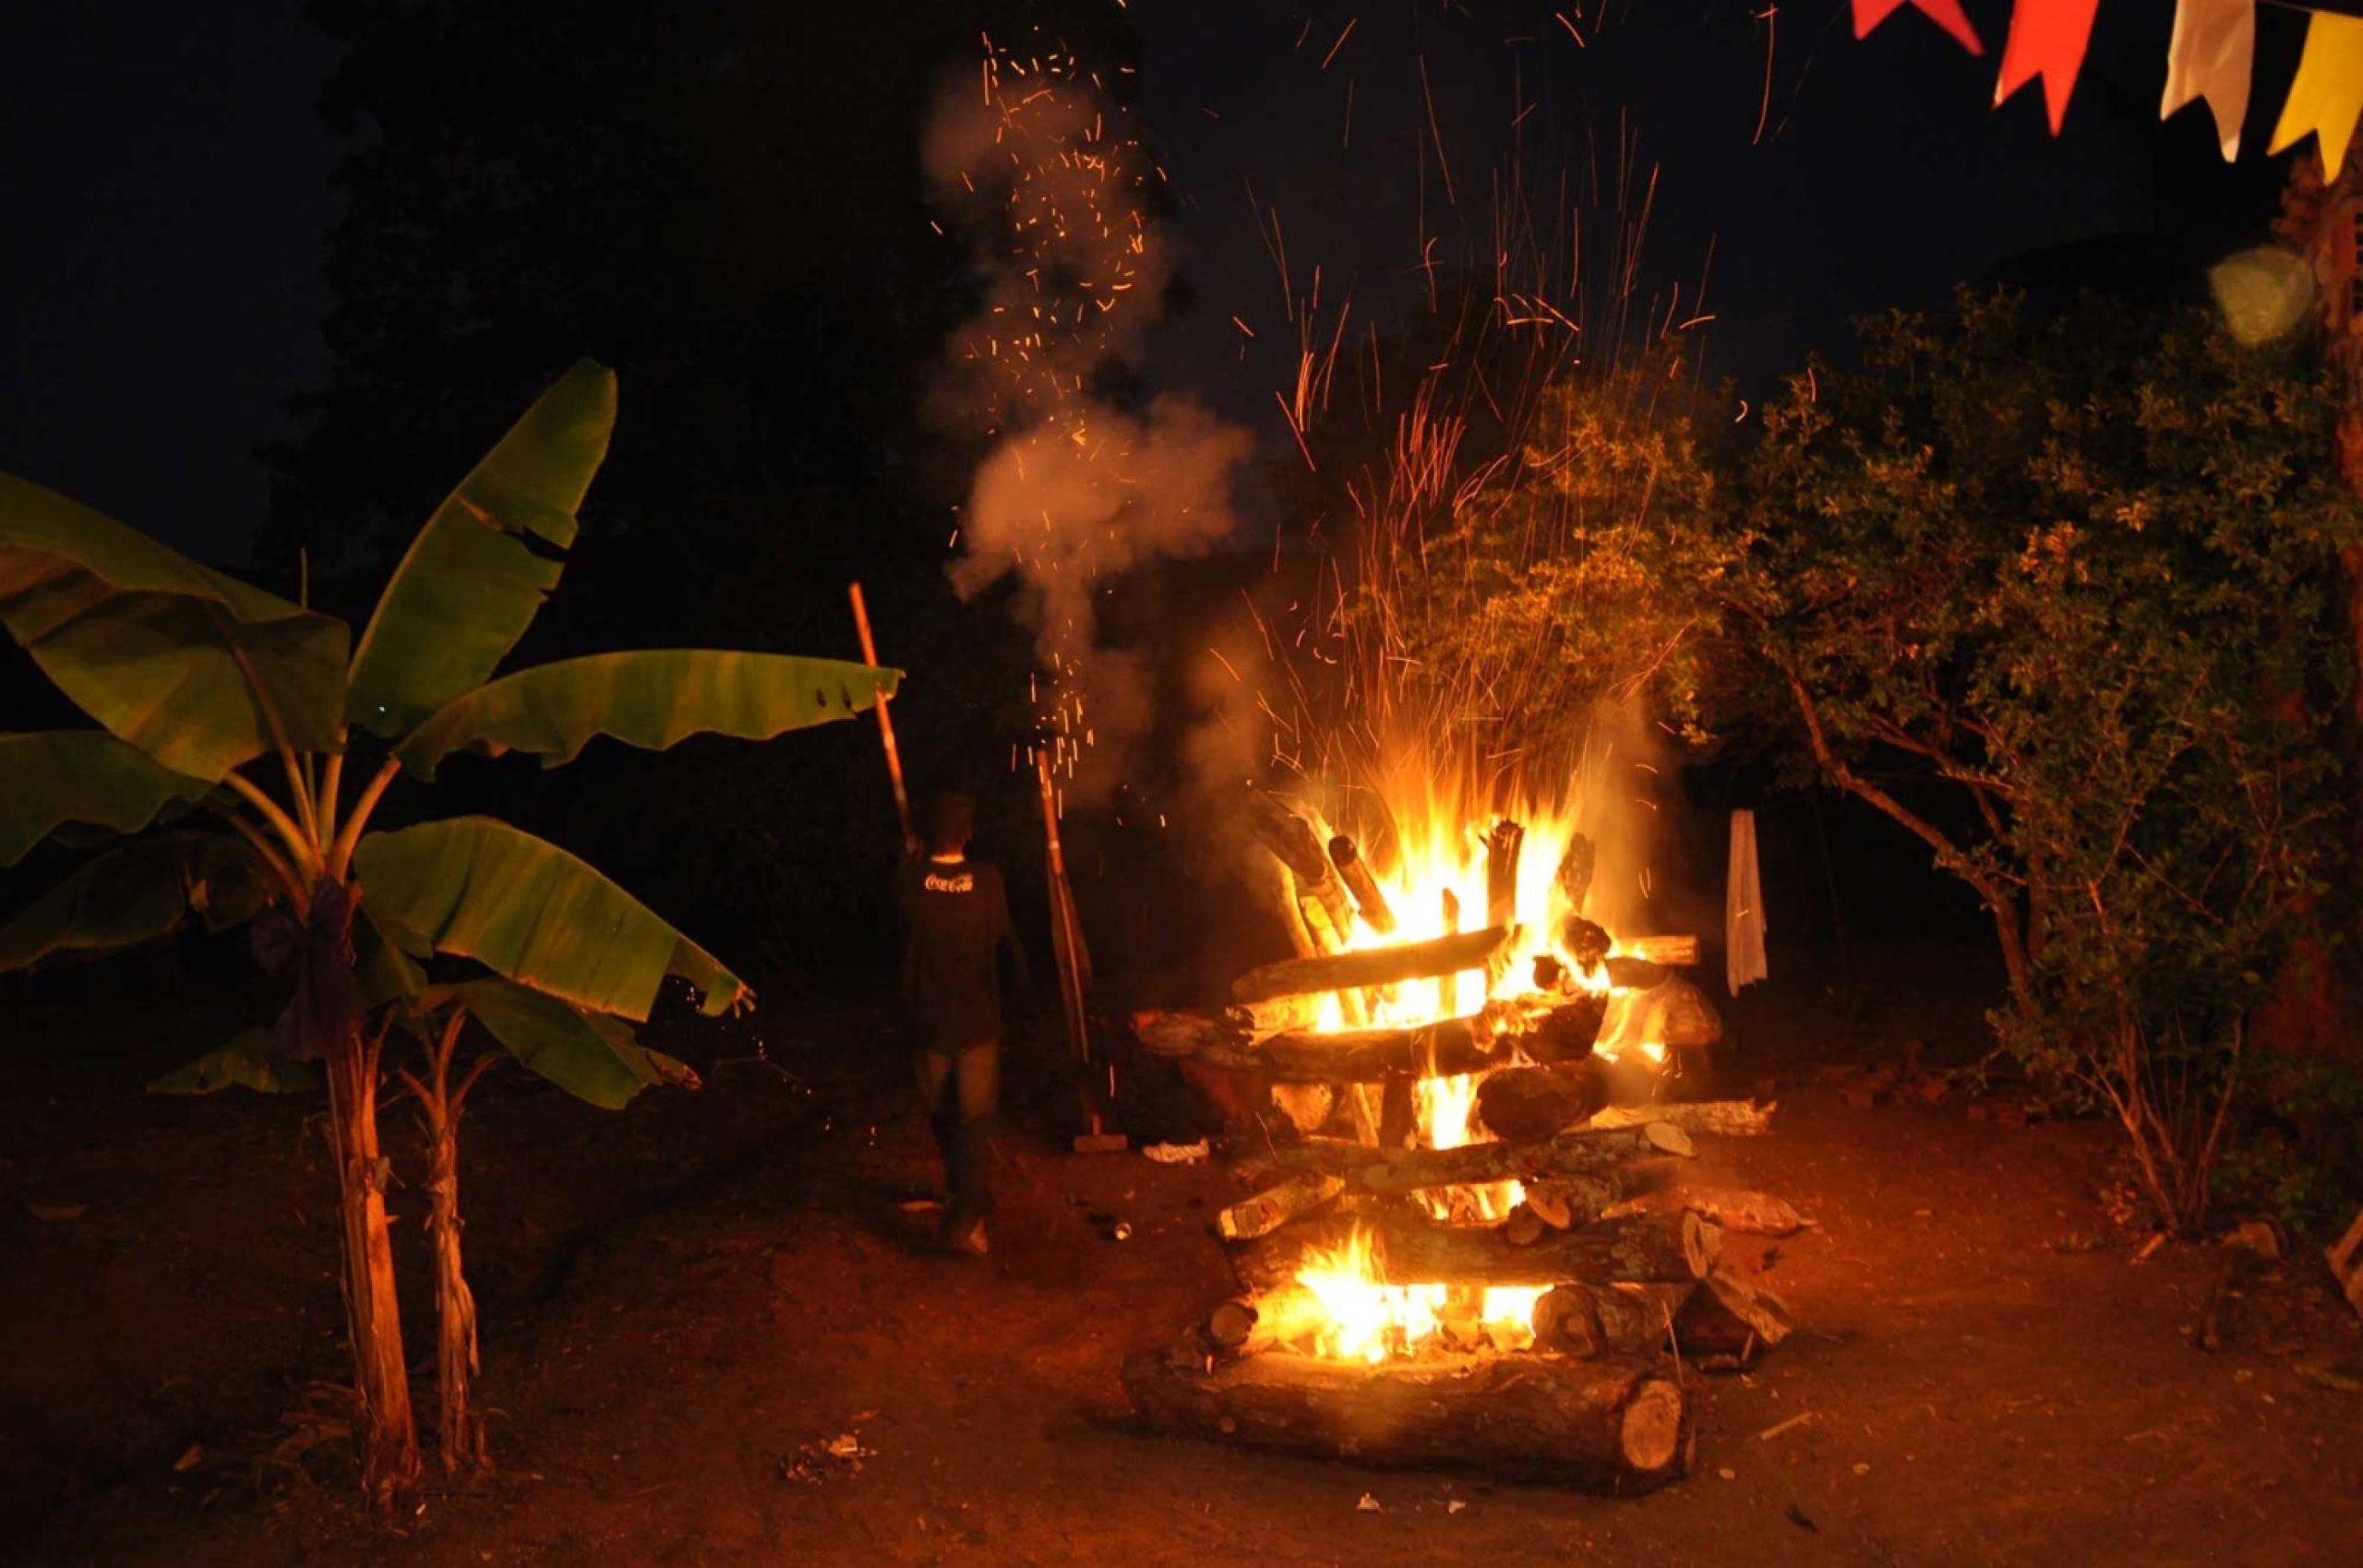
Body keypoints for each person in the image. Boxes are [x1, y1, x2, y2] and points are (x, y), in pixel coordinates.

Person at [896, 791, 1028, 1255]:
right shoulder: (988, 880)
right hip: (977, 1020)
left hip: (928, 1023)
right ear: (968, 834)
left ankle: (966, 1210)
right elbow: (1003, 939)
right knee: (973, 1121)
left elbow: (894, 930)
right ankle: (967, 1211)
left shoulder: (908, 882)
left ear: (922, 835)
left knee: (946, 1118)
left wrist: (914, 869)